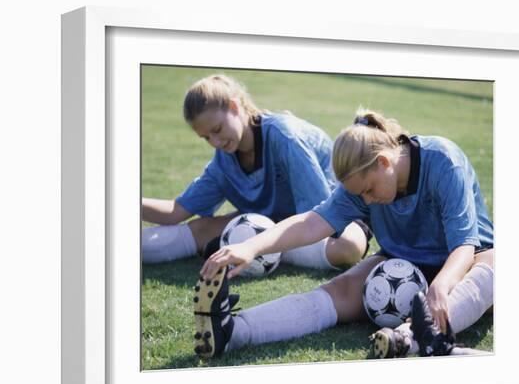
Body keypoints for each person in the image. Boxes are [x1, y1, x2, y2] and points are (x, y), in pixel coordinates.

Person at [195, 108, 494, 359]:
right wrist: (251, 247)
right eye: (358, 194)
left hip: (468, 258)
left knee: (497, 266)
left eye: (368, 190)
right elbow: (311, 223)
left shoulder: (442, 160)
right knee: (336, 291)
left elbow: (465, 245)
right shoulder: (360, 184)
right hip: (400, 258)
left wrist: (440, 284)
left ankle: (409, 338)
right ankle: (234, 331)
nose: (365, 201)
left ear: (385, 162)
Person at [142, 74, 368, 271]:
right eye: (206, 138)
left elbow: (317, 219)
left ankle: (256, 247)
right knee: (201, 229)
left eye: (218, 129)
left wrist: (255, 240)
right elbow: (175, 212)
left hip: (325, 221)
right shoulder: (223, 163)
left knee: (347, 248)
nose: (216, 142)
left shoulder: (285, 137)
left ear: (234, 107)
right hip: (268, 224)